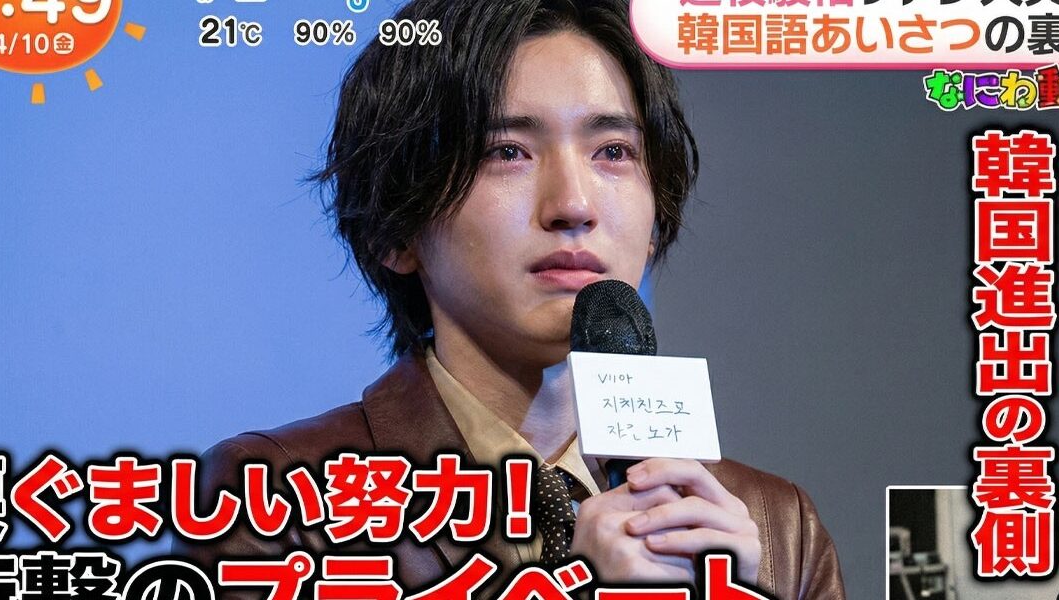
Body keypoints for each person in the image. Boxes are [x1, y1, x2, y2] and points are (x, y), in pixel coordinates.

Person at [177, 1, 845, 598]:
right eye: (507, 152)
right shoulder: (277, 499)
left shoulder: (774, 527)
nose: (574, 204)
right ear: (395, 230)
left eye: (613, 151)